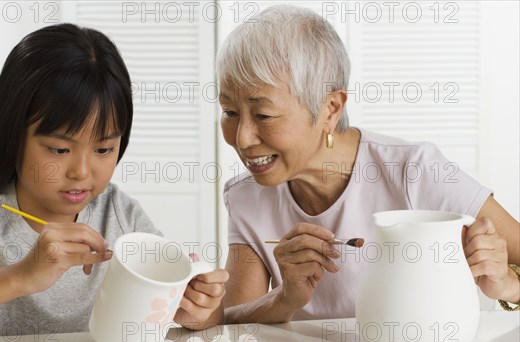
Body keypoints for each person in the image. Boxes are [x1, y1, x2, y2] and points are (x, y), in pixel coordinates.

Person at [0, 23, 228, 340]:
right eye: (60, 149)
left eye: (103, 149)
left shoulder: (120, 216)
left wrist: (200, 307)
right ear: (13, 136)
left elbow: (204, 320)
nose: (81, 171)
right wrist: (21, 277)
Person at [217, 5, 520, 324]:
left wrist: (508, 287)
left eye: (263, 115)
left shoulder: (414, 171)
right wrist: (284, 299)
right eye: (229, 112)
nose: (242, 139)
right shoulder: (246, 197)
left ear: (330, 109)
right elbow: (233, 328)